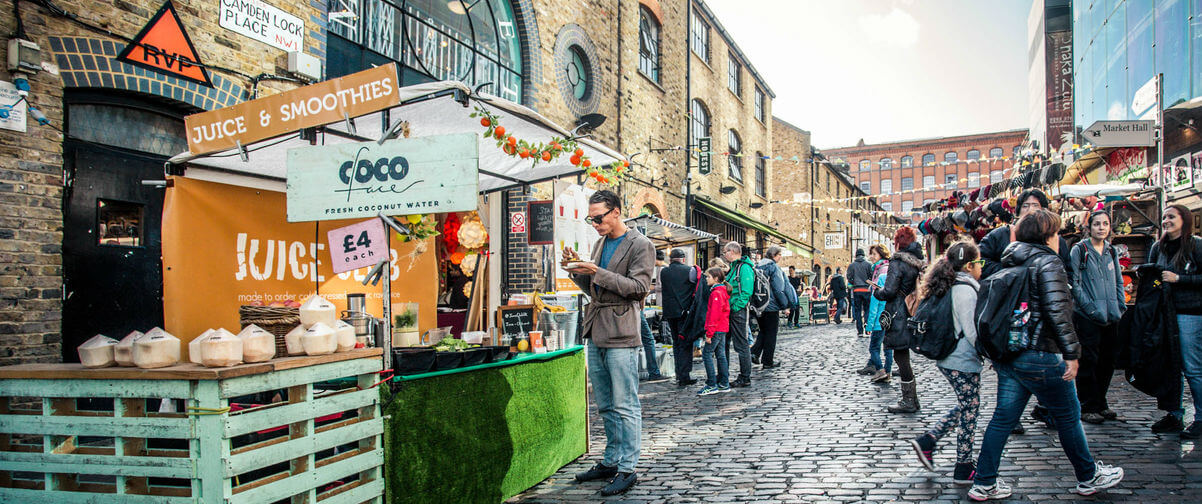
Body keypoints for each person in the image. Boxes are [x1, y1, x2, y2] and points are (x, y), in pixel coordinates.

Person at [968, 209, 1123, 501]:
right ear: (1045, 236)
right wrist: (1072, 354)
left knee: (1002, 419)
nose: (1059, 239)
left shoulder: (1010, 260)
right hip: (1041, 354)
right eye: (1056, 233)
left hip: (1013, 355)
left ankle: (984, 482)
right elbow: (1058, 313)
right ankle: (1089, 476)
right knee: (1069, 416)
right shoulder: (1047, 263)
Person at [565, 190, 655, 496]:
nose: (595, 224)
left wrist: (596, 270)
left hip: (621, 331)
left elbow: (639, 288)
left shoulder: (641, 244)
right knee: (605, 404)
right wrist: (578, 271)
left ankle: (627, 468)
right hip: (596, 329)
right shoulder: (600, 243)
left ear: (616, 212)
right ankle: (611, 460)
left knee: (625, 404)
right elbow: (595, 288)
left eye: (599, 218)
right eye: (591, 219)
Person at [978, 188, 1070, 430]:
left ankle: (1046, 409)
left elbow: (1067, 274)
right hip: (1011, 313)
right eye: (1027, 206)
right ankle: (1012, 415)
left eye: (1037, 206)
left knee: (1045, 364)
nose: (1032, 210)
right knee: (1010, 363)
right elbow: (980, 263)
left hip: (1044, 318)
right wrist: (1008, 275)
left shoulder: (1057, 241)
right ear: (1018, 210)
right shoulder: (1000, 236)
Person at [908, 242, 984, 485]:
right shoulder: (965, 290)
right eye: (979, 263)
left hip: (951, 357)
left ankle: (930, 441)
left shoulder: (952, 283)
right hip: (960, 358)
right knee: (969, 410)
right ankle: (962, 465)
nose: (982, 268)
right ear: (970, 265)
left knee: (967, 405)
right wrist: (991, 354)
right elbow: (972, 332)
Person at [1147, 204, 1202, 439]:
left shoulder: (1195, 245)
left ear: (1184, 219)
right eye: (1165, 217)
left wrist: (1179, 279)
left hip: (1189, 313)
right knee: (1169, 367)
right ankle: (1174, 414)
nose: (1166, 221)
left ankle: (1200, 418)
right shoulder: (1157, 247)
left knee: (1192, 367)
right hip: (1164, 313)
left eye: (1171, 216)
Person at [1069, 210, 1125, 425]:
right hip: (1087, 316)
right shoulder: (1080, 250)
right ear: (1089, 227)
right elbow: (1075, 284)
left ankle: (1101, 402)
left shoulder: (1111, 251)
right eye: (1097, 224)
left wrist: (1120, 306)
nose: (1101, 227)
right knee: (1088, 360)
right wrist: (1090, 308)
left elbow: (1119, 280)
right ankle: (1088, 405)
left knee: (1107, 361)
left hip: (1112, 315)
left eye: (1105, 224)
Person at [873, 226, 924, 413]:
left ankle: (909, 400)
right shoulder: (917, 261)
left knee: (901, 356)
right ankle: (911, 398)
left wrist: (877, 292)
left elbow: (889, 290)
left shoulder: (897, 261)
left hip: (898, 312)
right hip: (911, 311)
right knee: (903, 356)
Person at [751, 246, 797, 369]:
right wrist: (785, 305)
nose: (781, 257)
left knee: (763, 331)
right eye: (779, 254)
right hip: (771, 306)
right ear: (775, 255)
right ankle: (767, 361)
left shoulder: (757, 267)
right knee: (771, 333)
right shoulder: (774, 268)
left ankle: (754, 352)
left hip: (759, 304)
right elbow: (779, 289)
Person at [660, 248, 699, 387]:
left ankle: (679, 373)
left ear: (670, 259)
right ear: (683, 259)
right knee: (685, 343)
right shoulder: (690, 271)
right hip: (684, 312)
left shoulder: (663, 272)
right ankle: (684, 375)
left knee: (676, 342)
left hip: (670, 312)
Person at [722, 242, 756, 388]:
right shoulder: (734, 268)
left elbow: (746, 292)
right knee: (724, 343)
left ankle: (745, 376)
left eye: (725, 252)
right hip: (731, 311)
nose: (724, 255)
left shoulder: (744, 268)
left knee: (741, 344)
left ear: (732, 252)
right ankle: (724, 374)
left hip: (738, 311)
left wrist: (735, 307)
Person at [699, 267, 732, 395]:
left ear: (716, 278)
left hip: (717, 329)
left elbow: (714, 315)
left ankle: (711, 384)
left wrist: (709, 333)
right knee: (721, 354)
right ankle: (724, 383)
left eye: (708, 277)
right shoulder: (722, 291)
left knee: (707, 354)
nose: (706, 279)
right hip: (722, 328)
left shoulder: (716, 293)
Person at [864, 244, 894, 383]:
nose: (871, 257)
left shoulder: (880, 277)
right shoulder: (893, 276)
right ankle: (888, 372)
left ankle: (880, 370)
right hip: (891, 319)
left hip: (879, 321)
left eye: (874, 254)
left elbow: (874, 306)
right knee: (888, 348)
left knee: (874, 348)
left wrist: (869, 325)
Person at [847, 249, 874, 337]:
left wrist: (854, 282)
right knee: (867, 309)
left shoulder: (851, 265)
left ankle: (860, 331)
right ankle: (867, 325)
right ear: (863, 255)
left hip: (856, 290)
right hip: (866, 289)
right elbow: (872, 276)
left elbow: (849, 277)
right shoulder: (868, 265)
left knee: (857, 311)